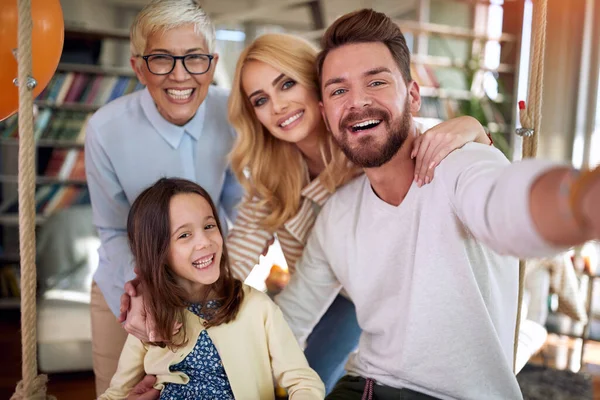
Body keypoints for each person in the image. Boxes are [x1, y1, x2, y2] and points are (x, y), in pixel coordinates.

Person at [273, 8, 600, 400]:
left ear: (412, 95)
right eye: (339, 90)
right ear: (326, 115)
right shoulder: (339, 214)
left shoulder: (463, 164)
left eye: (376, 82)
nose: (357, 102)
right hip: (365, 387)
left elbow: (506, 205)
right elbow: (290, 318)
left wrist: (579, 201)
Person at [225, 33, 493, 392]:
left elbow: (422, 139)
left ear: (319, 85)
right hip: (315, 292)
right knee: (264, 371)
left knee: (318, 374)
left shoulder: (369, 144)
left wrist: (474, 128)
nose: (277, 106)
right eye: (261, 99)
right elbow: (233, 262)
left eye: (286, 84)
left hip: (376, 298)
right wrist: (178, 310)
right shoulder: (271, 175)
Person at [84, 0, 243, 395]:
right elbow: (111, 228)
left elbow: (239, 209)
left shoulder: (236, 116)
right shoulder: (106, 128)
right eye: (161, 59)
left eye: (194, 59)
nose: (180, 75)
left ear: (212, 63)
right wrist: (141, 290)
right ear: (139, 67)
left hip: (210, 286)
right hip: (128, 286)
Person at [98, 178, 324, 399]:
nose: (205, 241)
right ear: (158, 251)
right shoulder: (149, 318)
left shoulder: (257, 307)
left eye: (209, 226)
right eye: (184, 235)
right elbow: (116, 393)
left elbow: (303, 381)